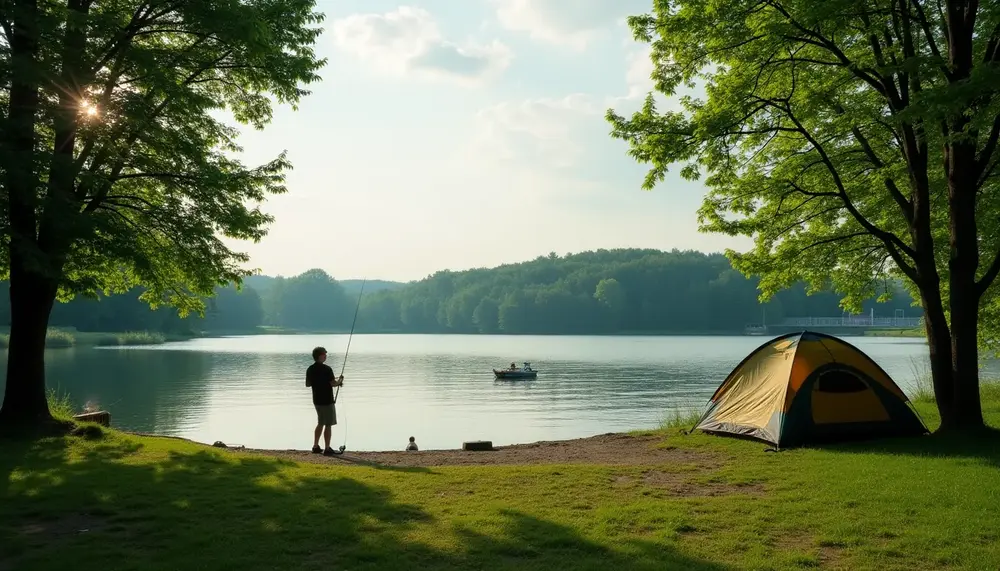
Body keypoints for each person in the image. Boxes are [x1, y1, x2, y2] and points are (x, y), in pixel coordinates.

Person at [305, 346, 344, 456]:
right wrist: (340, 381)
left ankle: (315, 446)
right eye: (325, 354)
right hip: (327, 400)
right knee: (328, 424)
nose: (326, 356)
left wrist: (319, 381)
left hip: (316, 400)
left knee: (320, 422)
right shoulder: (327, 369)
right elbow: (333, 384)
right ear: (320, 356)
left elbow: (308, 384)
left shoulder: (310, 369)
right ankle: (327, 448)